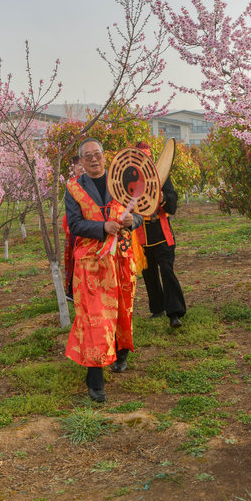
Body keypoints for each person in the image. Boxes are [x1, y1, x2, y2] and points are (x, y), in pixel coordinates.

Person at [64, 138, 142, 402]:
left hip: (121, 258)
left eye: (97, 154)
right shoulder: (74, 188)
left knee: (122, 310)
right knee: (95, 318)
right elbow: (74, 224)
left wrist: (134, 221)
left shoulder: (121, 181)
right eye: (88, 156)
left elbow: (141, 212)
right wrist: (101, 228)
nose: (93, 159)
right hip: (91, 263)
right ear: (81, 162)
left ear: (104, 157)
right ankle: (95, 379)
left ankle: (121, 354)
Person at [135, 142, 186, 329]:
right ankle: (157, 309)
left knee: (166, 270)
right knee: (149, 274)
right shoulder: (130, 180)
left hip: (162, 234)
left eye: (147, 159)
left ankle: (175, 313)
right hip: (141, 235)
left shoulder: (162, 177)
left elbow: (173, 203)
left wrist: (164, 198)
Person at [63, 154, 84, 302]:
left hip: (92, 226)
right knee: (74, 258)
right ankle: (72, 290)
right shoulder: (71, 185)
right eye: (78, 165)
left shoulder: (93, 182)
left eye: (84, 164)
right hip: (75, 227)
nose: (82, 168)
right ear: (74, 168)